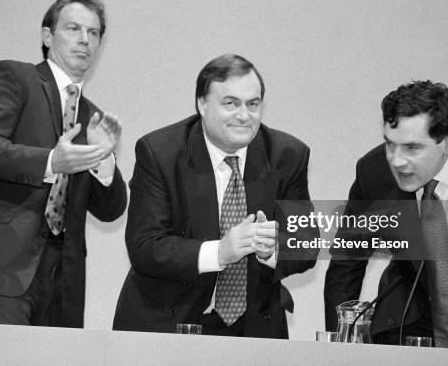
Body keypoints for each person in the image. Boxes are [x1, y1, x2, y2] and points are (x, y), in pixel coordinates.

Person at [0, 0, 128, 328]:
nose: (85, 40)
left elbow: (110, 210)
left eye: (94, 32)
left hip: (63, 282)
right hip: (0, 267)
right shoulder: (14, 77)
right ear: (47, 36)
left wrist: (103, 160)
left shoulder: (93, 116)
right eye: (73, 28)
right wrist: (51, 162)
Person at [112, 54, 316, 338]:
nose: (244, 116)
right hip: (170, 322)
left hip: (254, 327)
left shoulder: (288, 155)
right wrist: (220, 252)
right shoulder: (160, 152)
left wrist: (272, 250)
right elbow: (145, 246)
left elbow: (306, 245)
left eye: (253, 104)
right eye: (231, 103)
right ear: (202, 104)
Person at [324, 80, 448, 351]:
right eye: (390, 145)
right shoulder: (373, 173)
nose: (396, 160)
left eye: (412, 148)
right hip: (415, 310)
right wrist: (338, 345)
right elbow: (347, 260)